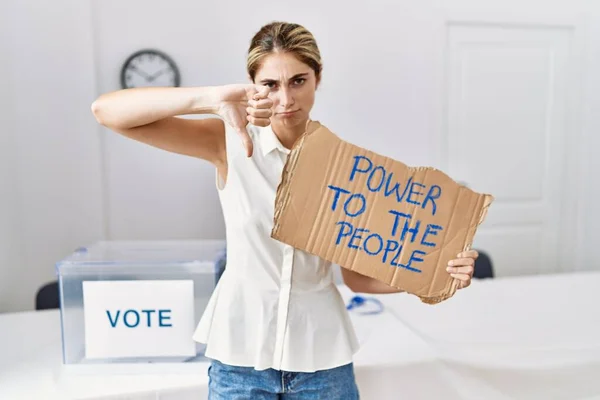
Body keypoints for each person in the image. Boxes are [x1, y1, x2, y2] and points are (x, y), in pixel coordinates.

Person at [91, 20, 478, 400]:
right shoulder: (228, 143)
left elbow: (358, 279)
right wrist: (210, 100)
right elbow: (106, 112)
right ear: (251, 85)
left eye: (298, 81)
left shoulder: (348, 170)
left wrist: (437, 270)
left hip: (322, 364)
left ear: (317, 79)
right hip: (240, 361)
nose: (286, 100)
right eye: (270, 85)